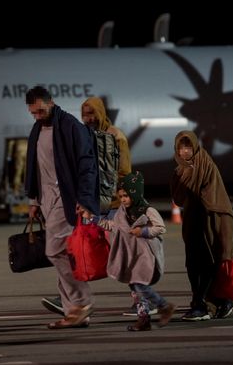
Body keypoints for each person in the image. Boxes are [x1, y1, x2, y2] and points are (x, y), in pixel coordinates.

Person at [41, 96, 141, 317]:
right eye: (85, 114)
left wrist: (122, 201)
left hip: (112, 207)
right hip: (91, 205)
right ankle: (70, 297)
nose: (88, 119)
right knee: (76, 249)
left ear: (102, 113)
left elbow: (124, 172)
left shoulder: (115, 136)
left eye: (92, 114)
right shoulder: (84, 135)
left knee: (121, 254)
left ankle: (144, 299)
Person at [24, 86, 100, 329]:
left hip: (66, 200)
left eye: (40, 111)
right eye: (32, 113)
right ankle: (74, 313)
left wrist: (85, 200)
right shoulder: (38, 129)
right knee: (63, 255)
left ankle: (81, 302)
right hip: (47, 200)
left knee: (55, 251)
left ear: (52, 102)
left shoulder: (70, 126)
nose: (37, 116)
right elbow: (36, 168)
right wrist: (34, 201)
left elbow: (87, 165)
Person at [170, 130, 233, 320]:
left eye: (188, 147)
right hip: (192, 224)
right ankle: (201, 302)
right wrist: (186, 175)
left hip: (210, 221)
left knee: (210, 262)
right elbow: (178, 199)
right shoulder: (179, 171)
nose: (185, 151)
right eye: (181, 147)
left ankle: (201, 304)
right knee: (193, 265)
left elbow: (215, 197)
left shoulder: (206, 165)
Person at [98, 171, 175, 331]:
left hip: (145, 255)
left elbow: (160, 227)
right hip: (131, 254)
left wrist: (143, 232)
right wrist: (93, 219)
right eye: (121, 196)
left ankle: (164, 305)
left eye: (126, 195)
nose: (123, 199)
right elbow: (115, 227)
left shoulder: (147, 210)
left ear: (135, 192)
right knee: (134, 288)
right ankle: (144, 318)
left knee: (140, 285)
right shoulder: (122, 211)